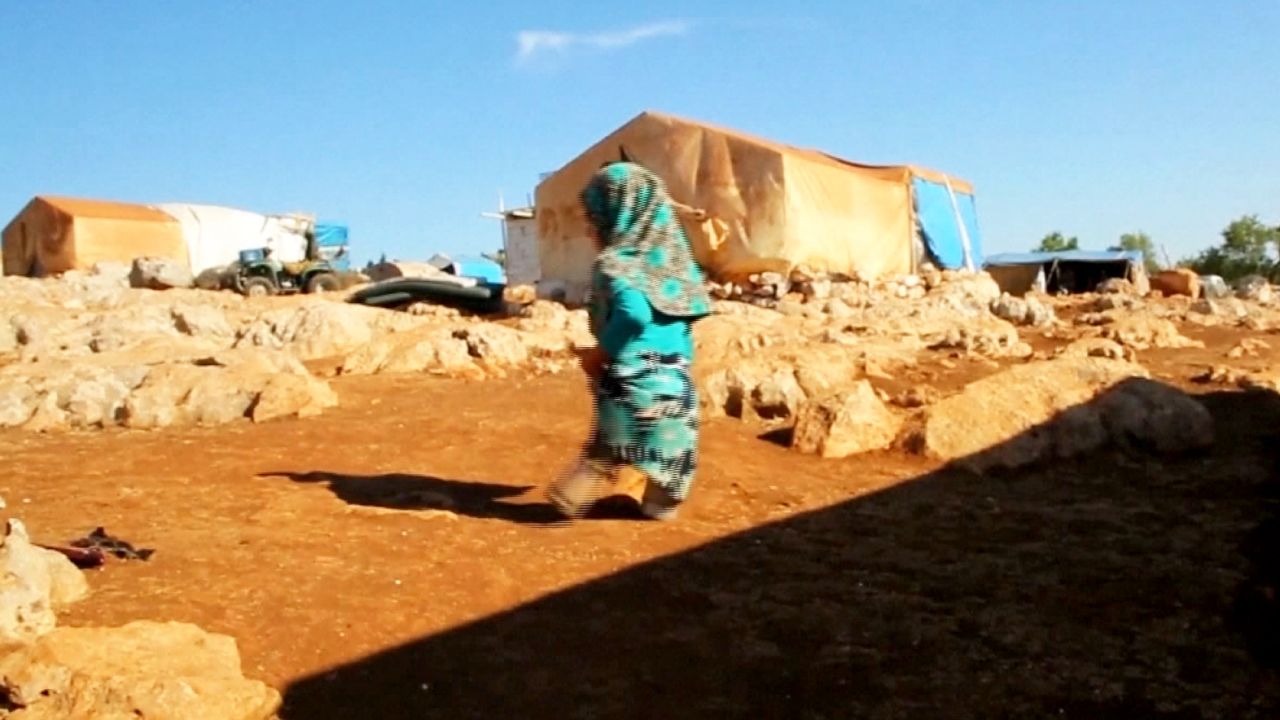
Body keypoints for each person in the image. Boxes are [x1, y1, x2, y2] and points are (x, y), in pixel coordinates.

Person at [547, 162, 713, 521]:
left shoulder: (616, 264)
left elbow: (633, 314)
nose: (590, 228)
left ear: (617, 215)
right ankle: (659, 506)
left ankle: (563, 506)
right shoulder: (675, 269)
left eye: (593, 218)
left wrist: (600, 353)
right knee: (673, 463)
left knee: (603, 454)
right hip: (676, 385)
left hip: (630, 379)